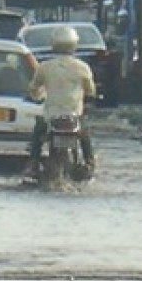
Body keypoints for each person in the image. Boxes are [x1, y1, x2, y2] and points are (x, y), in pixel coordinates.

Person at [26, 26, 97, 177]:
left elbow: (34, 87)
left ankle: (33, 163)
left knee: (37, 134)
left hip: (51, 116)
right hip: (74, 116)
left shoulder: (45, 67)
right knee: (85, 137)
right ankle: (89, 163)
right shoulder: (83, 67)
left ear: (54, 44)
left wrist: (36, 95)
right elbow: (91, 90)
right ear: (74, 45)